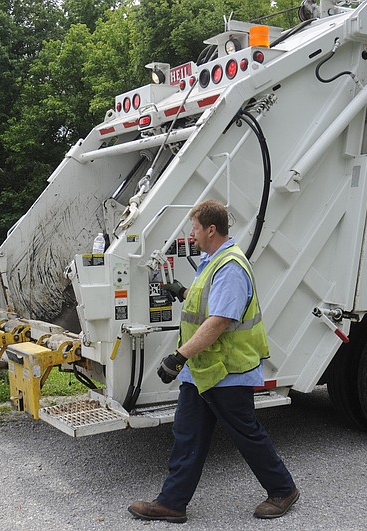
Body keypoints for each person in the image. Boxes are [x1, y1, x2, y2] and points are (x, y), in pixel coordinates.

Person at [128, 200, 298, 523]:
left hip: (227, 371)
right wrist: (181, 292)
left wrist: (179, 356)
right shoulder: (212, 261)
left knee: (246, 434)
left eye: (194, 228)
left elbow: (219, 321)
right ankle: (173, 502)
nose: (191, 234)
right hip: (204, 371)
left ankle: (283, 490)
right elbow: (207, 303)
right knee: (187, 433)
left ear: (211, 229)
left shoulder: (230, 267)